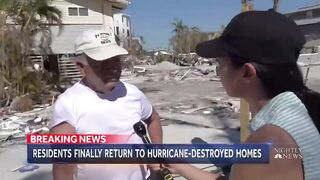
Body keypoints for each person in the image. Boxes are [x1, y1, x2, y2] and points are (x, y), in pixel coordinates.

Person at [166, 10, 320, 180]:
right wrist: (182, 168)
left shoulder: (269, 142)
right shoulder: (301, 111)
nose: (217, 71)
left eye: (220, 62)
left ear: (247, 73)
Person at [49, 29, 163, 180]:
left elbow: (153, 119)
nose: (113, 67)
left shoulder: (132, 93)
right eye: (102, 62)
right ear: (81, 67)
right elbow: (62, 166)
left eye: (115, 59)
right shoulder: (68, 104)